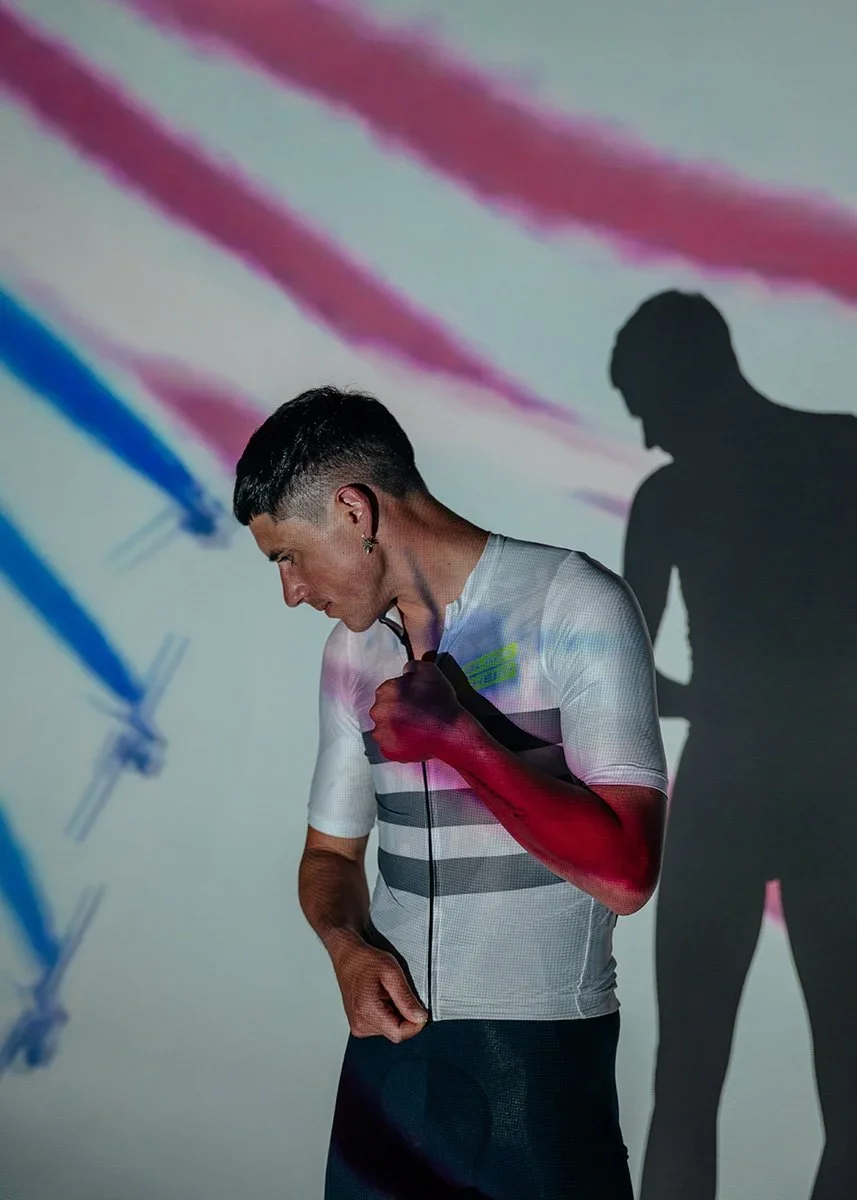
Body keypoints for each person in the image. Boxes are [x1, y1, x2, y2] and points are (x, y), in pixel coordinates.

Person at [233, 385, 669, 1199]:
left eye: (288, 555)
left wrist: (461, 741)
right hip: (388, 1058)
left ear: (354, 511)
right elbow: (328, 854)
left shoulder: (573, 604)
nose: (291, 591)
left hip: (536, 1063)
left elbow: (626, 876)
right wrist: (345, 948)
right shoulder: (349, 654)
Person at [610, 291, 857, 1200]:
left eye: (644, 404)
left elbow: (622, 664)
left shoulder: (672, 496)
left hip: (731, 782)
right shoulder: (844, 451)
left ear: (687, 376)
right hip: (835, 785)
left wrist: (708, 695)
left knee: (685, 1082)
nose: (642, 434)